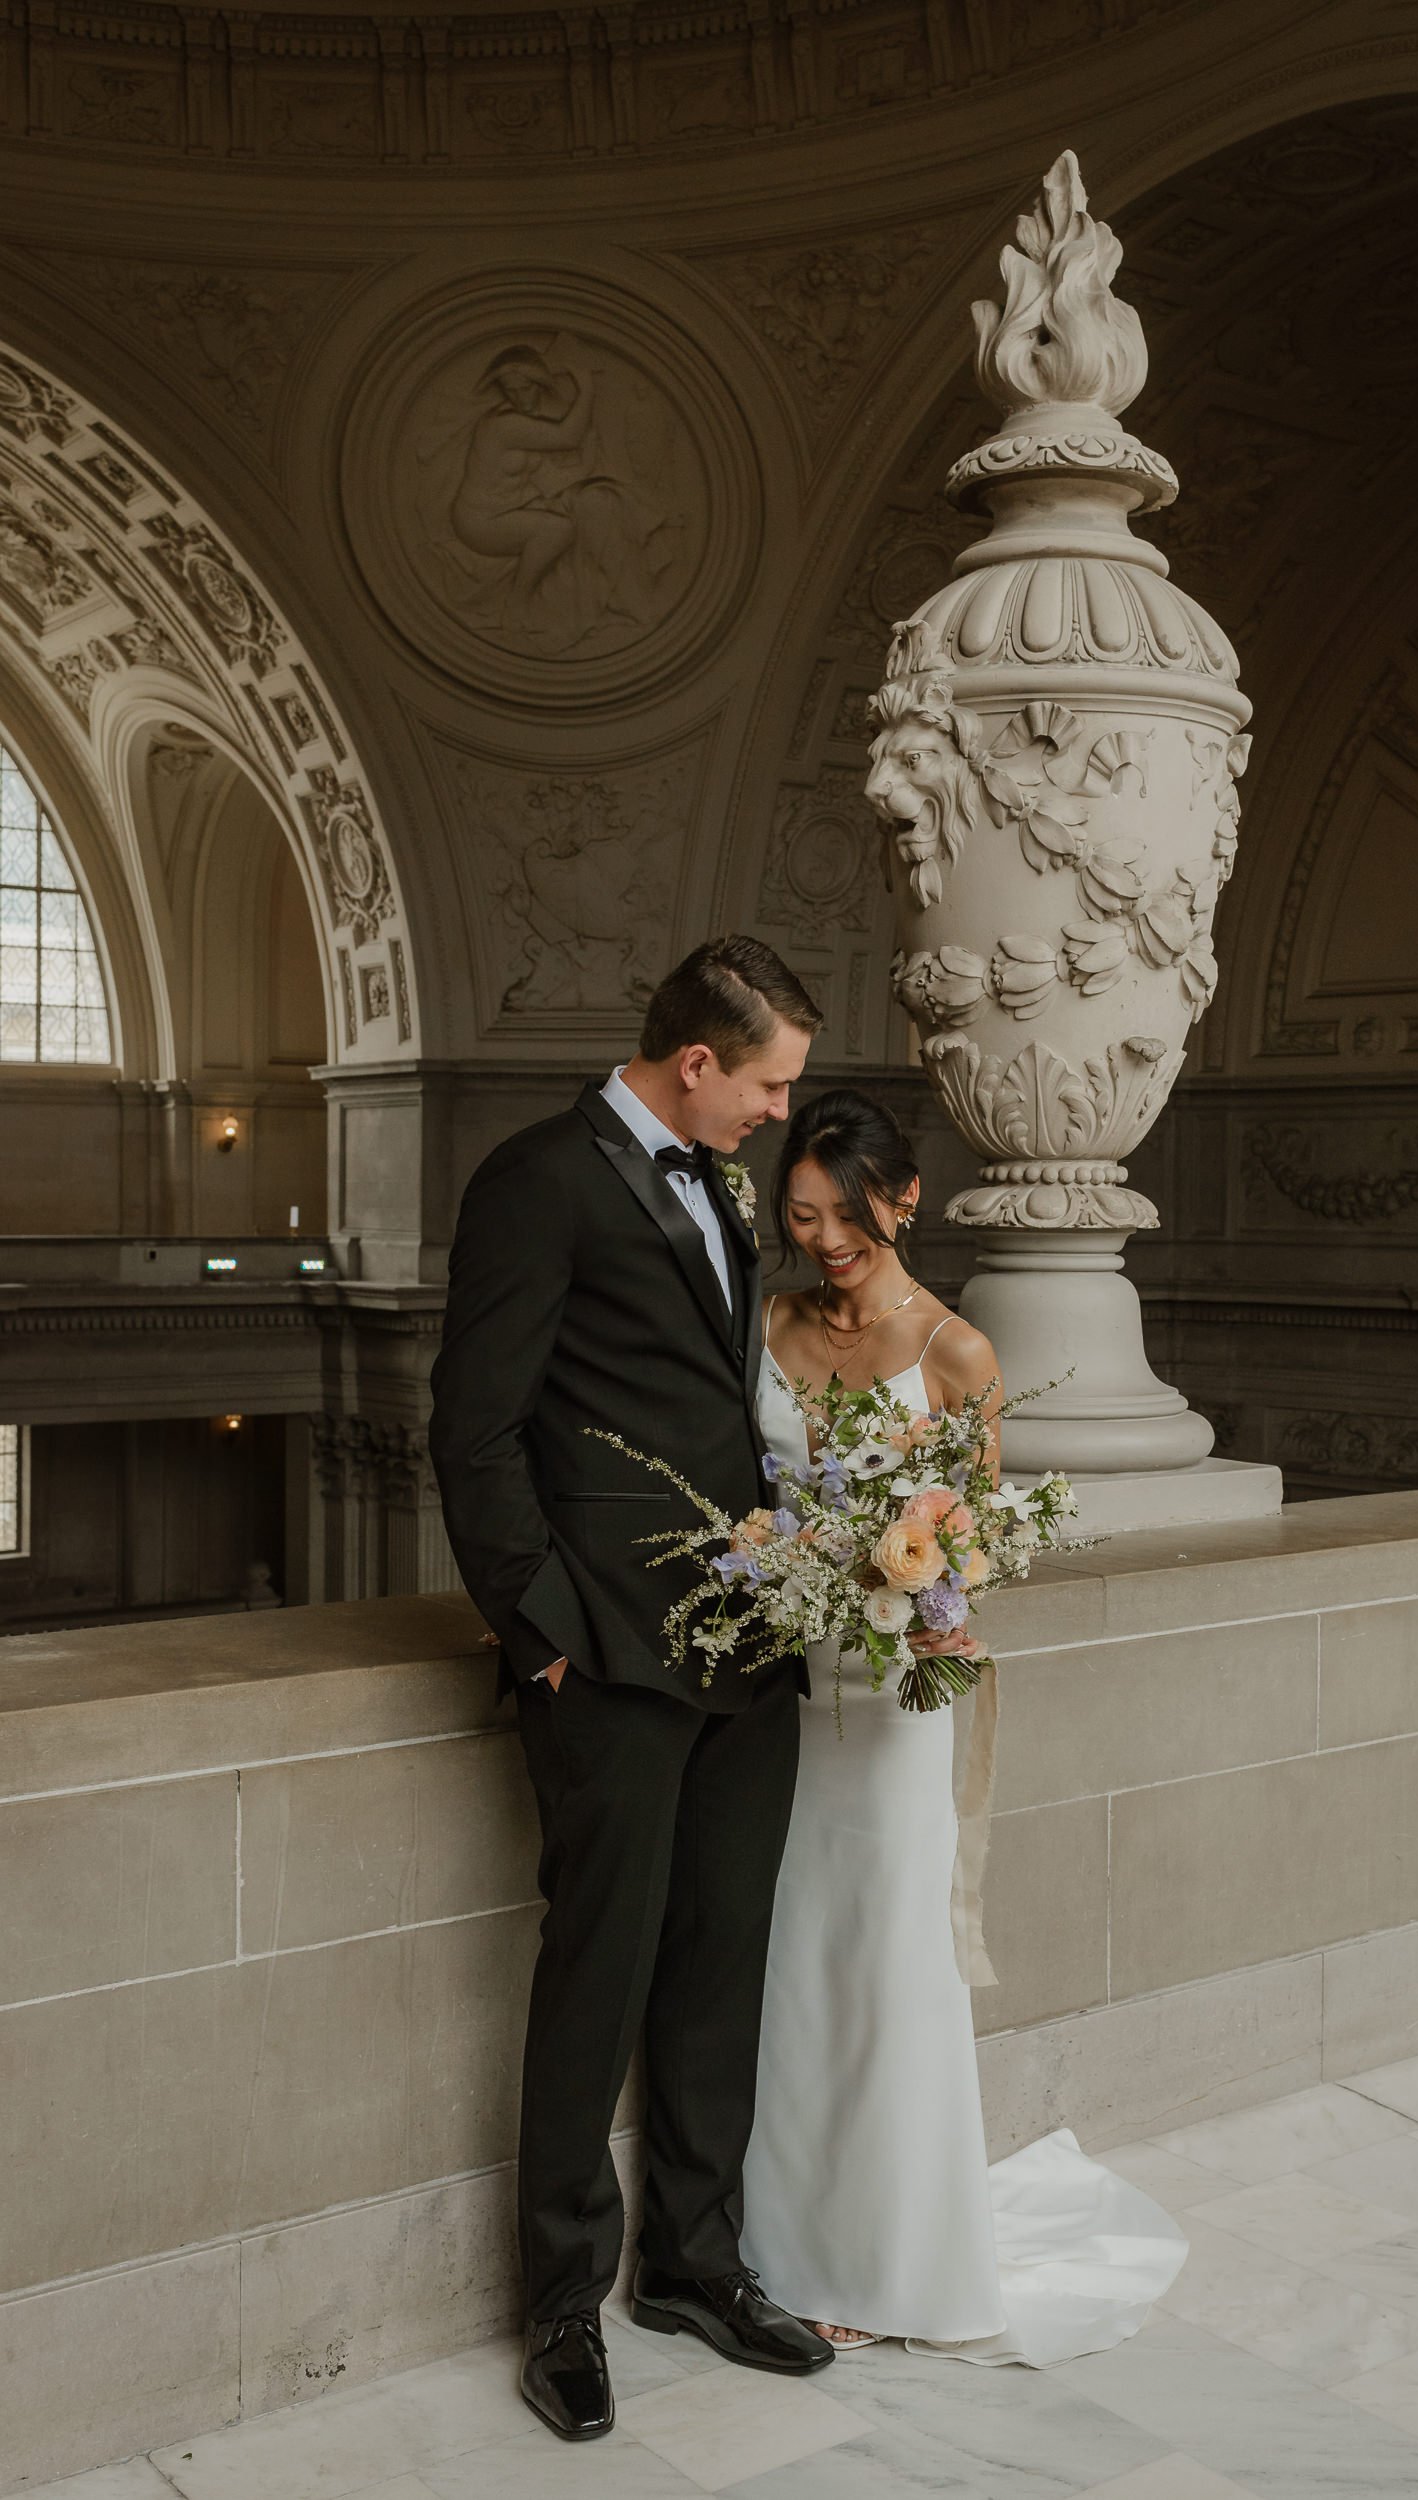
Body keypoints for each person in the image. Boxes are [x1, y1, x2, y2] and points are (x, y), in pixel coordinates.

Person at [428, 935, 835, 2445]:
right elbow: (474, 1428)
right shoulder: (536, 1181)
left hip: (747, 1643)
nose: (778, 1118)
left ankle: (694, 2267)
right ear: (696, 1065)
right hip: (601, 1650)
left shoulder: (716, 1180)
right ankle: (558, 2309)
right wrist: (536, 1628)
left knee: (721, 1957)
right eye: (770, 1086)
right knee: (596, 1971)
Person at [741, 1087, 1189, 2363]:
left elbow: (975, 1545)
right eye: (803, 1213)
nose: (826, 1239)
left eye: (849, 1214)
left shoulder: (958, 1351)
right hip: (775, 1680)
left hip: (888, 1703)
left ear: (905, 1199)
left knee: (885, 1957)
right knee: (787, 1958)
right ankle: (773, 2242)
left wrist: (907, 1590)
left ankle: (884, 2257)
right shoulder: (764, 1323)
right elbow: (742, 1487)